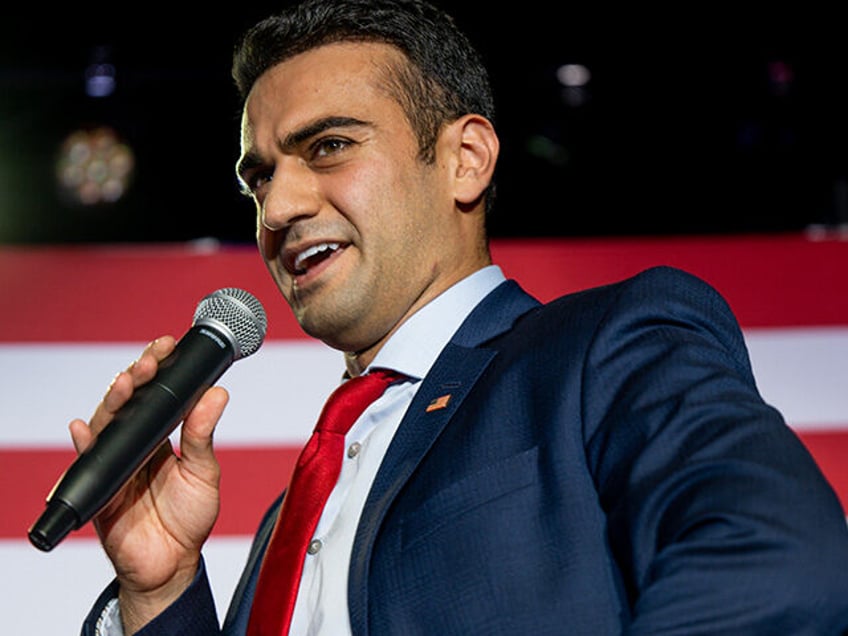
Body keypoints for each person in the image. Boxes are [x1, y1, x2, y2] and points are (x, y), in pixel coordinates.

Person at [75, 0, 848, 634]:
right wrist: (161, 590)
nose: (277, 208)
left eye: (331, 146)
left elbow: (779, 563)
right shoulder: (298, 510)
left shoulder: (601, 348)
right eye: (260, 179)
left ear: (466, 159)